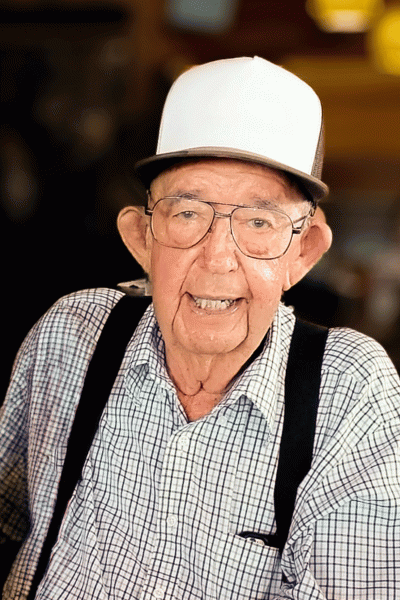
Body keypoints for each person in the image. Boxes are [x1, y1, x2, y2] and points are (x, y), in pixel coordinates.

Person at [1, 56, 400, 600]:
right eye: (187, 214)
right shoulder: (71, 335)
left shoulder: (349, 394)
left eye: (258, 222)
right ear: (142, 238)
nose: (217, 259)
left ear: (303, 253)